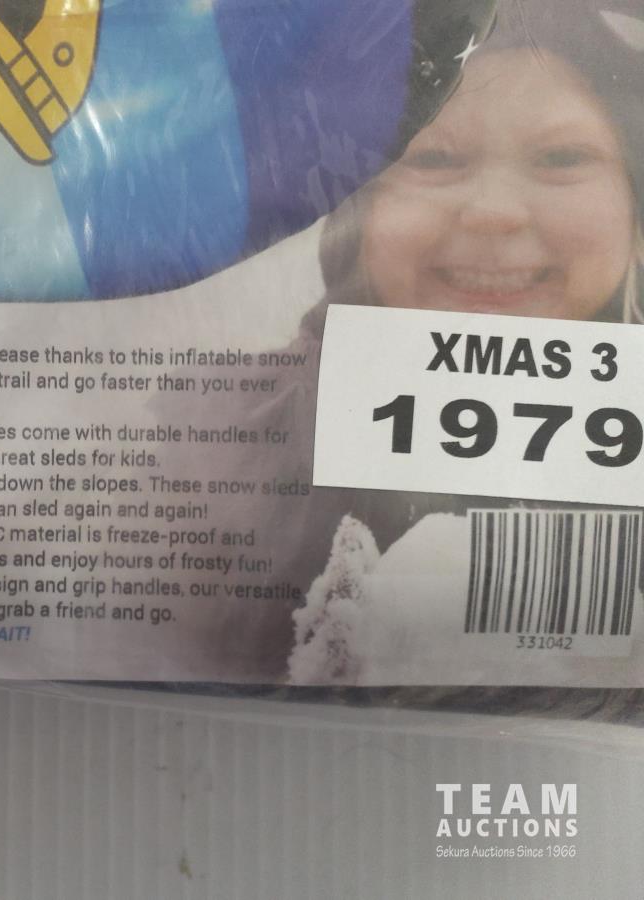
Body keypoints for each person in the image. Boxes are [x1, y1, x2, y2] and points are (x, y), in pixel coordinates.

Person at [173, 0, 644, 680]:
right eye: (434, 158)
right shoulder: (197, 445)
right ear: (353, 208)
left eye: (562, 158)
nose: (493, 213)